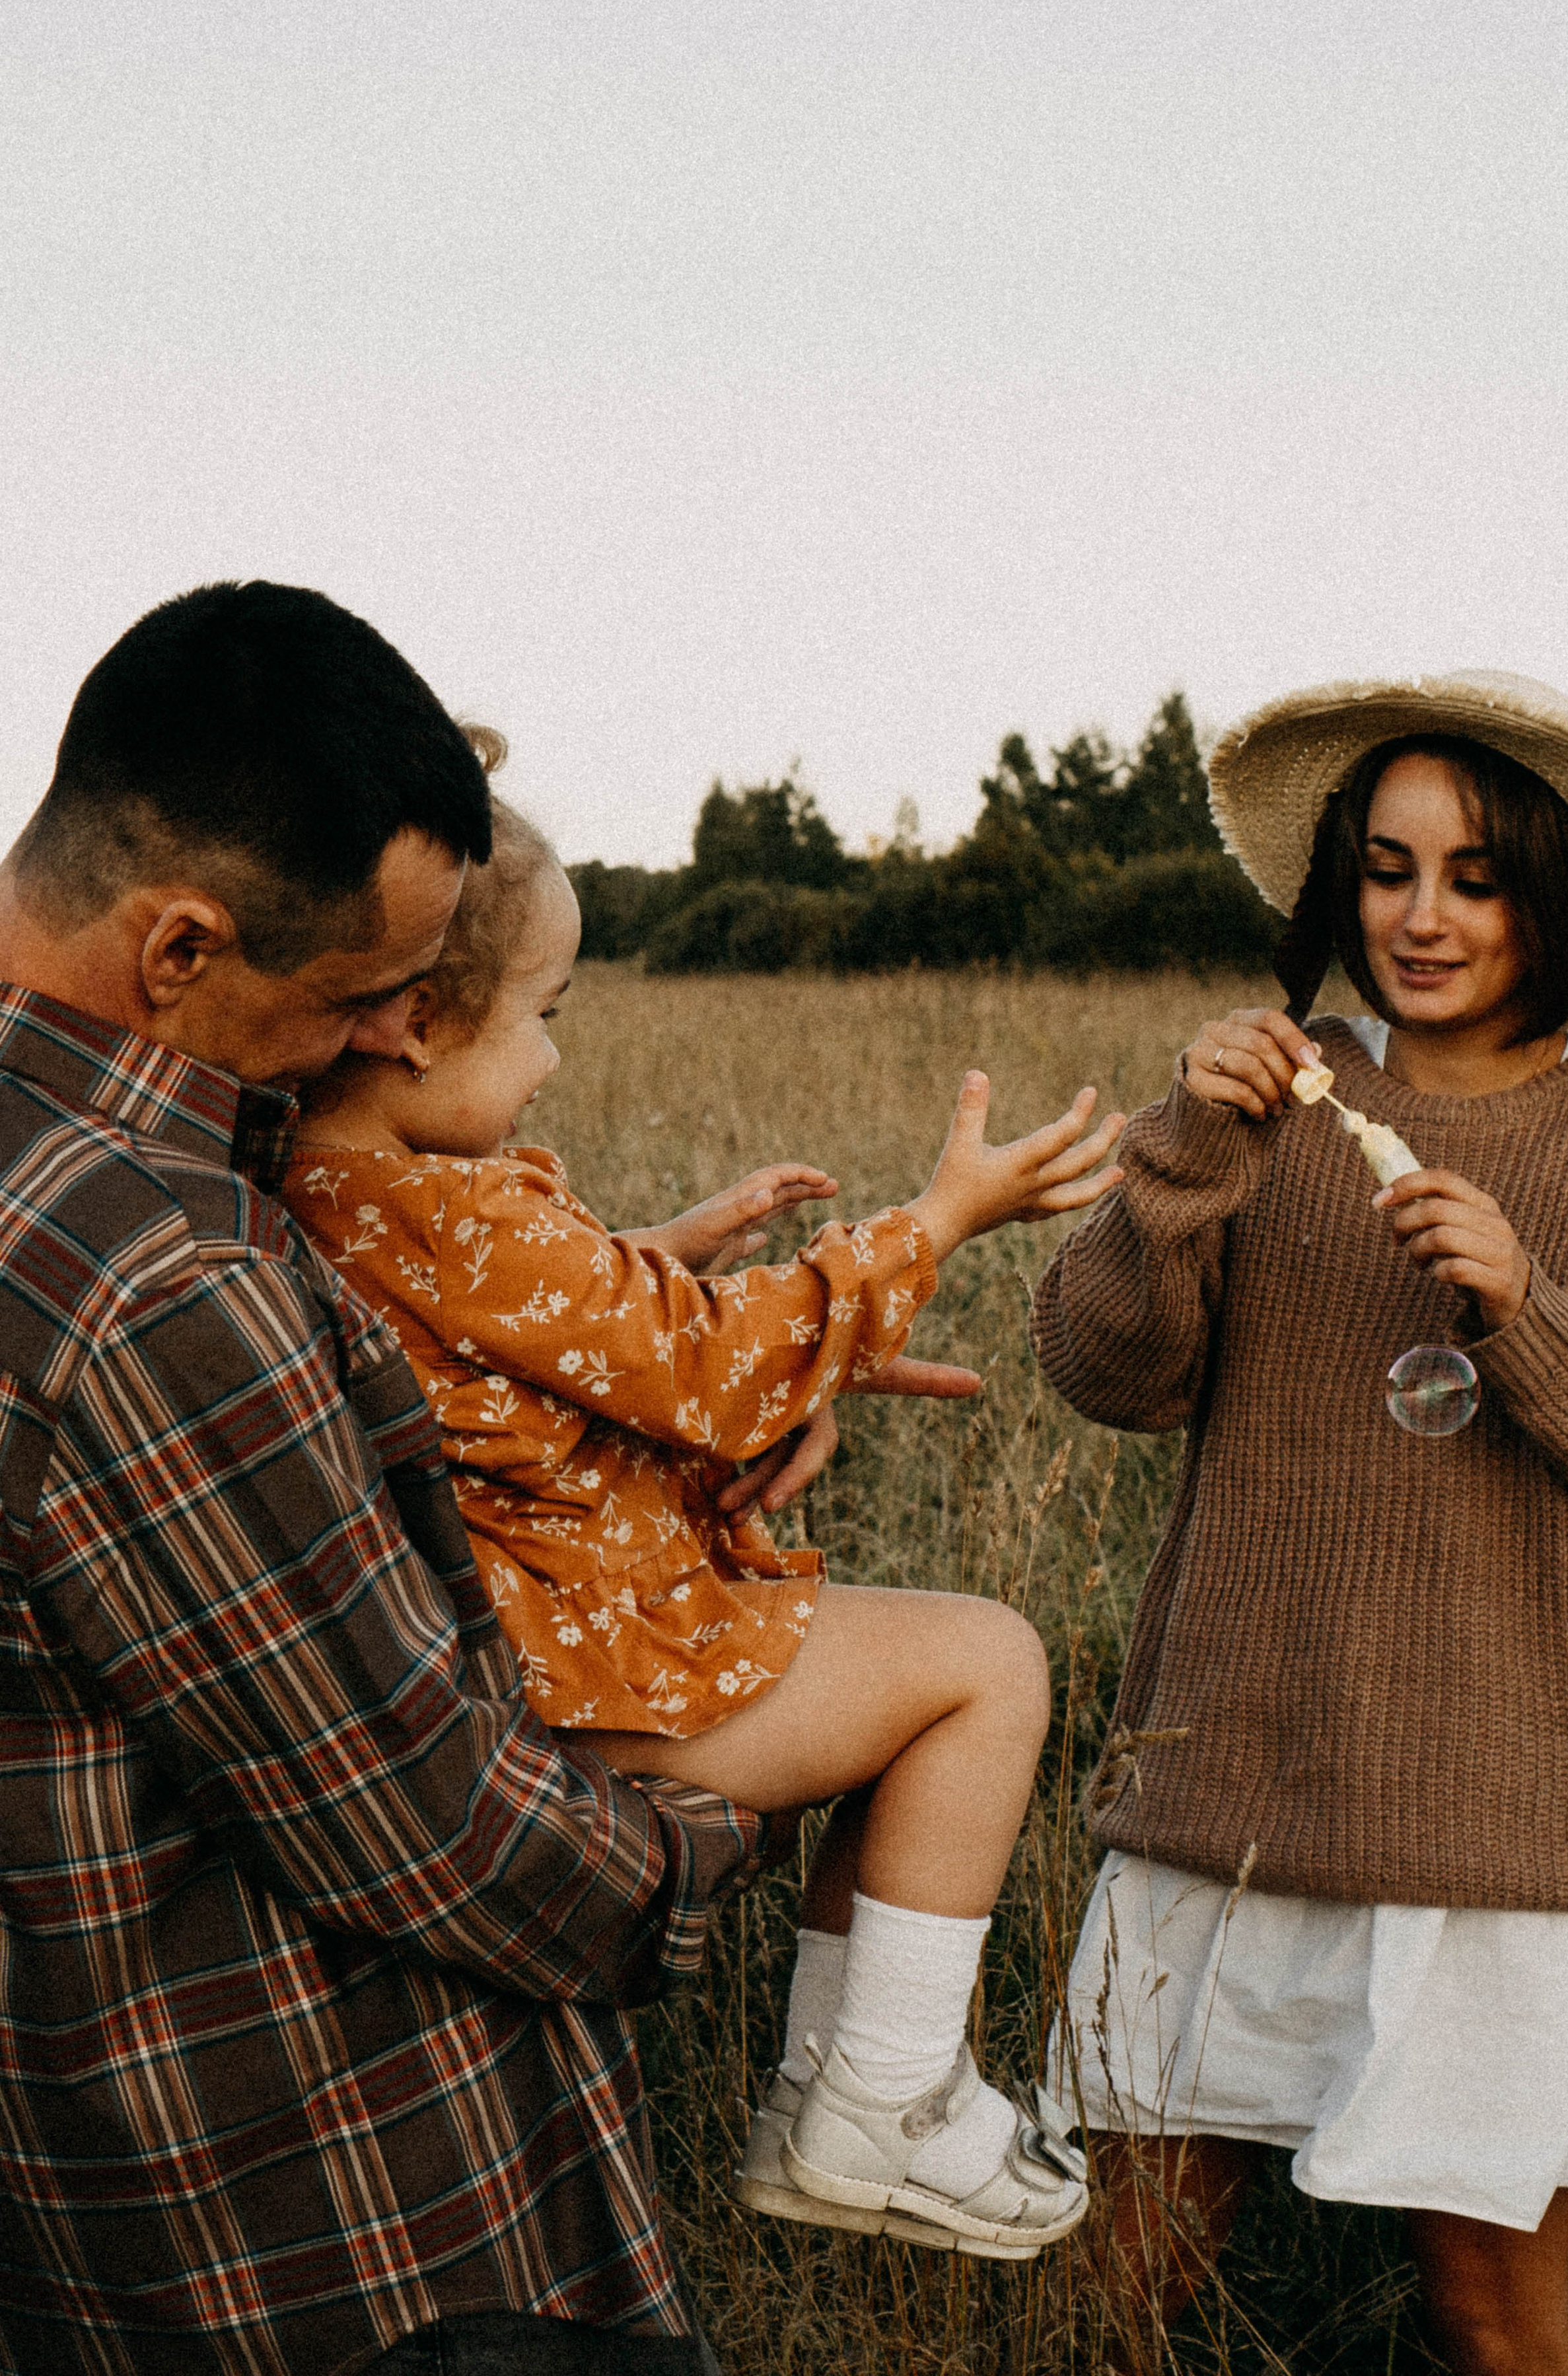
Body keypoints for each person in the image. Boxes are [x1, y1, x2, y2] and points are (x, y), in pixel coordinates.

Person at [0, 582, 771, 2376]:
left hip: (91, 2225)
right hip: (345, 2238)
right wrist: (719, 1837)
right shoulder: (156, 1275)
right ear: (179, 949)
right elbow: (421, 1821)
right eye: (355, 994)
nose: (376, 1042)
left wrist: (628, 1335)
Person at [284, 737, 1120, 2264]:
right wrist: (942, 1218)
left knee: (919, 1677)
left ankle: (843, 2099)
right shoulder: (456, 1213)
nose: (551, 1060)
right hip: (598, 1681)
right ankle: (880, 2102)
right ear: (411, 1021)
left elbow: (500, 1332)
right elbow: (719, 1377)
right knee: (985, 1664)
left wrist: (653, 1256)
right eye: (544, 1018)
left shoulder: (332, 1187)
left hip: (524, 1656)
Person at [1033, 671, 1568, 2375]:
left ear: (1560, 900)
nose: (1418, 916)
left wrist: (1525, 1310)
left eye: (1472, 877)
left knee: (1490, 2309)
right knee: (1127, 2279)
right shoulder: (1273, 1095)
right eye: (1383, 869)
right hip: (1238, 1789)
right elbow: (1102, 1368)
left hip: (1510, 1826)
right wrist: (1180, 1152)